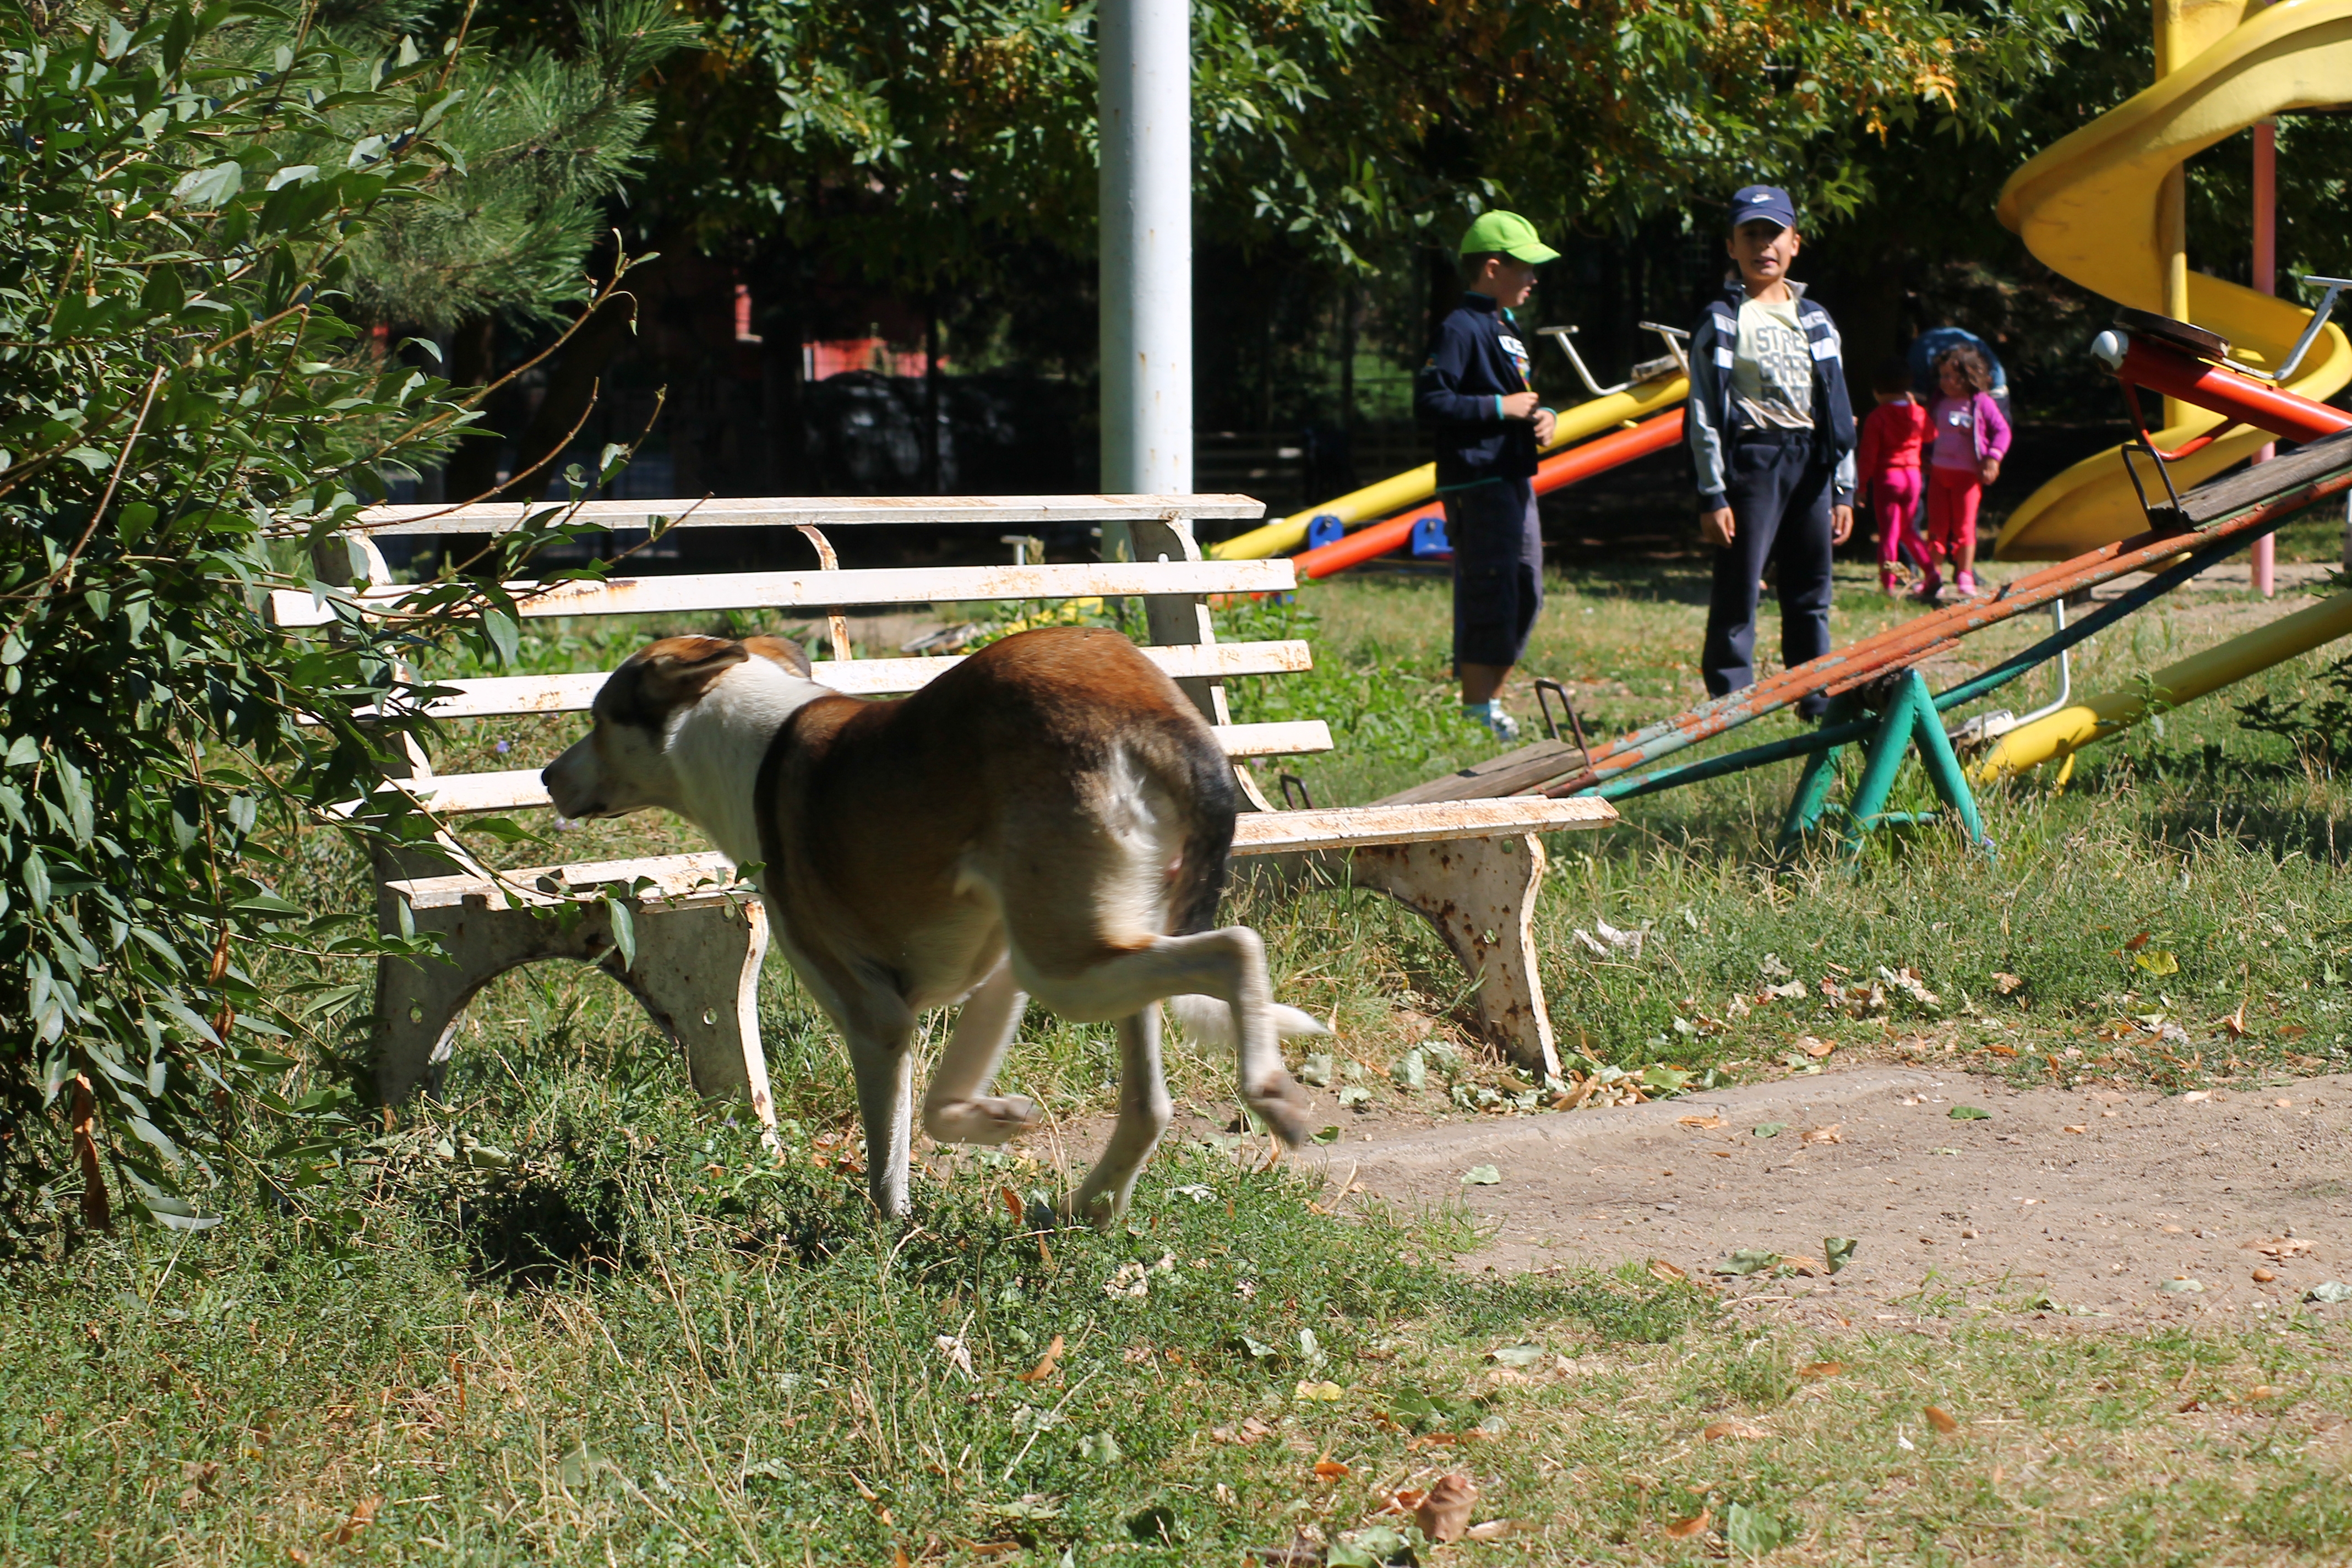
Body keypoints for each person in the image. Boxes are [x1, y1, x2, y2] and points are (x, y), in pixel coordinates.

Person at [1685, 185, 1855, 718]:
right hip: (1752, 462)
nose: (1763, 245)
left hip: (1810, 463)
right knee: (1740, 586)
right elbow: (1703, 411)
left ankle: (1815, 693)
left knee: (1810, 588)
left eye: (1773, 233)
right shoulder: (1722, 320)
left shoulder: (1819, 320)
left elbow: (1839, 408)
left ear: (1796, 242)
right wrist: (1712, 493)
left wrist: (1843, 487)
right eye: (1750, 234)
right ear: (1731, 247)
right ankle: (1732, 699)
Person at [1413, 211, 1561, 743]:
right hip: (1476, 483)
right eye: (1526, 268)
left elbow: (1516, 400)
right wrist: (1501, 408)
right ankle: (1476, 715)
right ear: (1493, 268)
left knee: (1526, 592)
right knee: (1491, 592)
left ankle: (1490, 703)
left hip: (1513, 477)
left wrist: (1544, 417)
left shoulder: (1504, 326)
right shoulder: (1460, 326)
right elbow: (1431, 400)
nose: (1534, 278)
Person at [1918, 341, 2011, 601]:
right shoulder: (1939, 402)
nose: (1943, 381)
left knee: (1964, 528)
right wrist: (1924, 456)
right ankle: (1933, 576)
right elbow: (1928, 433)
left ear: (1967, 376)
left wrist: (1993, 458)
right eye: (1942, 375)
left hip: (1968, 478)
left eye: (1949, 376)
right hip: (1939, 474)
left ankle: (1964, 574)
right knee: (1936, 528)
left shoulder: (1980, 403)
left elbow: (2002, 431)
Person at [1855, 355, 1930, 595]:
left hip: (1888, 478)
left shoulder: (1878, 417)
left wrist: (1861, 486)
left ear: (1877, 390)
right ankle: (1932, 573)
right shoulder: (1917, 413)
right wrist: (1916, 407)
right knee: (1909, 531)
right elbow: (1931, 434)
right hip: (1913, 477)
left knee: (1889, 535)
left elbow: (1868, 454)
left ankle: (1888, 584)